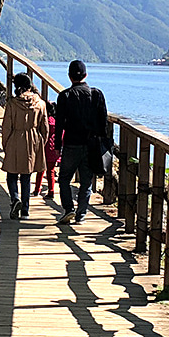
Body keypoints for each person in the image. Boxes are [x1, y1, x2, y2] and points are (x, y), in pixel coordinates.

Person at [53, 60, 108, 225]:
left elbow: (59, 123)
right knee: (86, 180)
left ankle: (68, 208)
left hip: (71, 143)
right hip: (91, 145)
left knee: (64, 178)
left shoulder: (65, 96)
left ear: (69, 77)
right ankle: (81, 214)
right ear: (86, 75)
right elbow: (103, 121)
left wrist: (57, 146)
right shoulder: (96, 94)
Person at [0, 72, 46, 220]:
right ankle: (25, 210)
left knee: (11, 175)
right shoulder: (40, 103)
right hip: (33, 139)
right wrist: (40, 143)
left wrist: (5, 144)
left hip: (15, 138)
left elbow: (6, 126)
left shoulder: (12, 103)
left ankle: (14, 198)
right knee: (26, 176)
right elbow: (45, 128)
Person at [34, 101, 61, 199]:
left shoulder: (43, 121)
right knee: (51, 171)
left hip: (43, 148)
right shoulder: (57, 123)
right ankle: (51, 191)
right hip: (53, 150)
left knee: (40, 170)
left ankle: (37, 189)